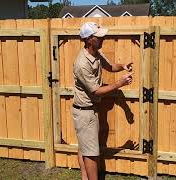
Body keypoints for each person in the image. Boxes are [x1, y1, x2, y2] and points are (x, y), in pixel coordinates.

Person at [72, 22, 133, 180]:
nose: (103, 38)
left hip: (89, 110)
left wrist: (123, 66)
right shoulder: (82, 64)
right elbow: (96, 91)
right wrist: (120, 83)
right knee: (91, 153)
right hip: (85, 113)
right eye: (99, 36)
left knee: (85, 147)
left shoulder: (96, 53)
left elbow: (111, 66)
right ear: (89, 39)